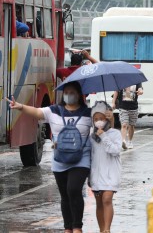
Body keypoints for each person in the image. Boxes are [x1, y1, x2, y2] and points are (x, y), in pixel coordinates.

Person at [6, 81, 99, 233]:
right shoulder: (54, 110)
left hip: (81, 158)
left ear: (79, 95)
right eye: (66, 92)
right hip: (60, 160)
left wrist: (106, 115)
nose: (69, 95)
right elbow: (37, 112)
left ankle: (77, 227)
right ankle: (68, 228)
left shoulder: (88, 113)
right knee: (64, 194)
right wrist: (20, 106)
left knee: (74, 189)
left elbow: (103, 125)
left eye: (72, 92)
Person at [89, 101, 122, 233]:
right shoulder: (91, 137)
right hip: (96, 175)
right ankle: (101, 229)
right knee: (99, 203)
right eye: (95, 119)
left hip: (111, 174)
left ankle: (107, 229)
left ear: (106, 118)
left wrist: (104, 135)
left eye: (101, 118)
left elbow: (115, 150)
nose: (98, 121)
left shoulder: (115, 134)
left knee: (107, 199)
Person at [112, 83, 143, 149]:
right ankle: (123, 141)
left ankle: (130, 141)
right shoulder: (121, 80)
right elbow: (116, 91)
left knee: (132, 125)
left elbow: (140, 88)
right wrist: (113, 102)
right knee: (124, 124)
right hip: (123, 107)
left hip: (133, 107)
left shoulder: (137, 81)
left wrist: (140, 91)